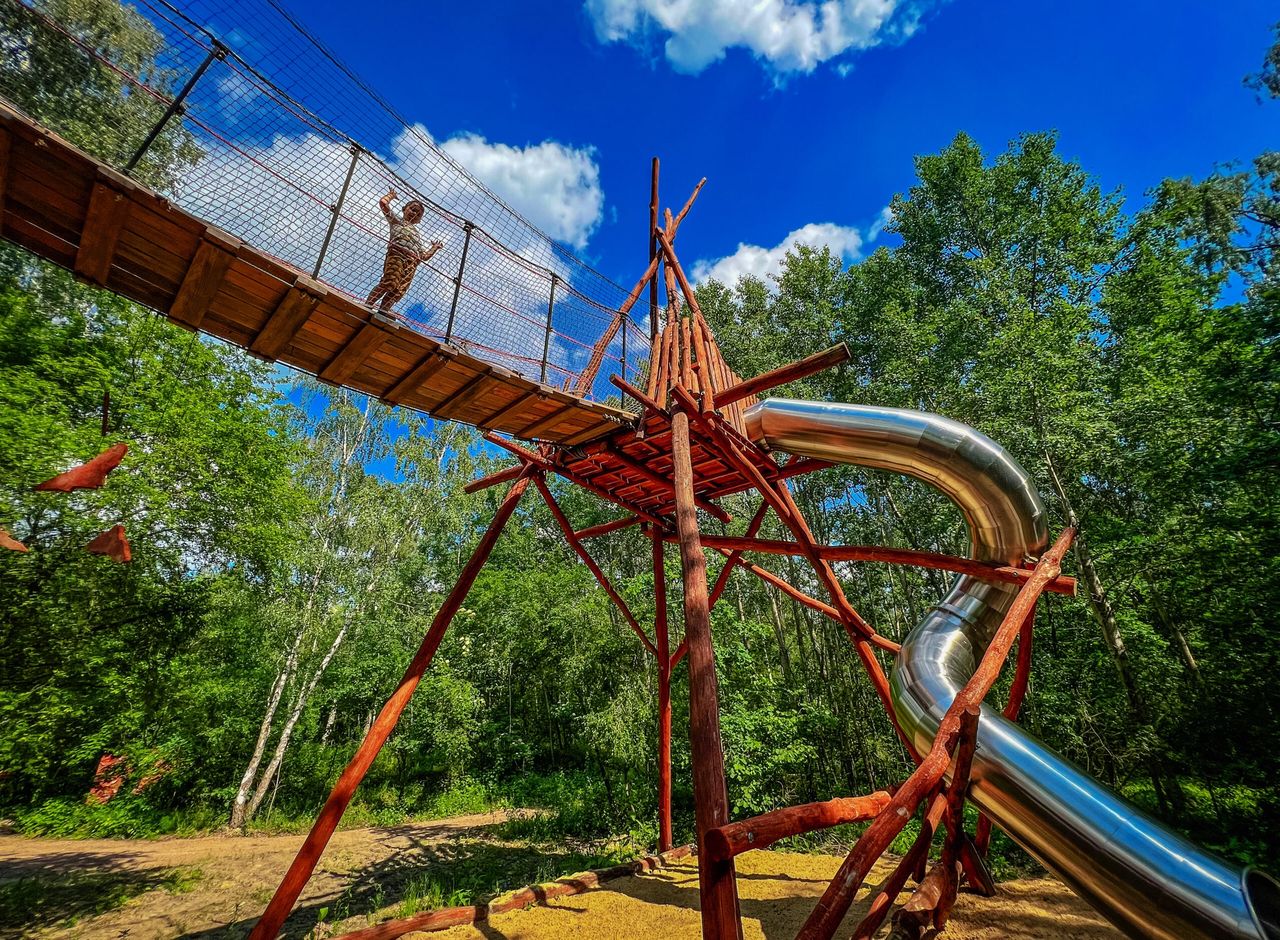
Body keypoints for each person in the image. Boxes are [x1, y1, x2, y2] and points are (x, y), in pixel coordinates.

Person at [366, 189, 443, 314]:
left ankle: (384, 310)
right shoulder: (397, 221)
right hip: (398, 255)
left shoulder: (417, 235)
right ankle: (369, 304)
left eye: (418, 214)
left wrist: (434, 248)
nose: (414, 214)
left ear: (419, 220)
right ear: (404, 209)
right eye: (412, 209)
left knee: (398, 291)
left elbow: (423, 256)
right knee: (389, 281)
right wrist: (391, 196)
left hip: (412, 263)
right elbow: (383, 203)